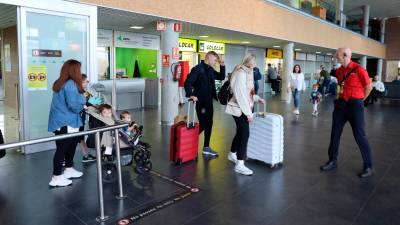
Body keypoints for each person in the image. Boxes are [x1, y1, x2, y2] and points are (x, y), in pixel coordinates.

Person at [320, 47, 374, 178]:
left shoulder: (359, 69)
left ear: (345, 56)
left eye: (337, 55)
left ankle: (368, 166)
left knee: (359, 135)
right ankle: (332, 160)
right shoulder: (339, 71)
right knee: (335, 133)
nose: (335, 57)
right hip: (341, 105)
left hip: (355, 105)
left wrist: (360, 100)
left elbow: (368, 87)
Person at [48, 59, 86, 187]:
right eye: (79, 69)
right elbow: (74, 106)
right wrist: (84, 102)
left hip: (63, 121)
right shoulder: (71, 84)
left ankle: (68, 169)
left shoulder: (60, 82)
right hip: (66, 121)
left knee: (70, 146)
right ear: (74, 70)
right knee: (62, 149)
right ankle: (56, 177)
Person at [225, 54, 264, 175]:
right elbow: (240, 94)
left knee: (241, 132)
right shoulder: (241, 73)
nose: (256, 65)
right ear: (251, 62)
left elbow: (248, 92)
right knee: (244, 134)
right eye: (255, 62)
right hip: (240, 109)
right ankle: (240, 164)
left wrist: (256, 98)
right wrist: (248, 114)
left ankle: (232, 154)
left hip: (243, 107)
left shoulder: (247, 72)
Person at [184, 51, 225, 157]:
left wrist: (222, 65)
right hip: (201, 102)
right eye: (215, 60)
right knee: (204, 124)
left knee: (209, 123)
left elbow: (221, 77)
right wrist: (191, 94)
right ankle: (187, 140)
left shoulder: (210, 69)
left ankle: (206, 147)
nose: (216, 62)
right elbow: (188, 82)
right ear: (209, 57)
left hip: (209, 101)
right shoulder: (198, 69)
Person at [79, 74, 96, 163]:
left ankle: (86, 155)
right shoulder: (77, 92)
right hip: (74, 120)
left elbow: (93, 101)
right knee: (72, 139)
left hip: (80, 119)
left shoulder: (85, 92)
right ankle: (64, 159)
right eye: (86, 81)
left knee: (80, 137)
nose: (87, 83)